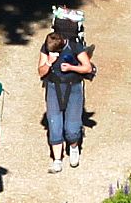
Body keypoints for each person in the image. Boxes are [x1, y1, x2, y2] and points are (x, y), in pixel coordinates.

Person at [37, 31, 93, 173]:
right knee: (54, 122)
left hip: (73, 87)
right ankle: (57, 160)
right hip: (53, 87)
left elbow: (88, 67)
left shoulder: (75, 47)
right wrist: (49, 62)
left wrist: (71, 68)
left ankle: (74, 147)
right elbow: (41, 72)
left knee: (72, 126)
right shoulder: (46, 48)